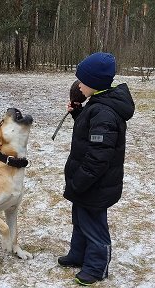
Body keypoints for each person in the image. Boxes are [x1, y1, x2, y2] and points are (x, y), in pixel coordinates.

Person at [58, 52, 135, 286]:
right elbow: (93, 136)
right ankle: (78, 254)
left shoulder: (104, 112)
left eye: (82, 81)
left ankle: (96, 267)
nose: (78, 85)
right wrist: (79, 114)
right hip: (88, 181)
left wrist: (80, 180)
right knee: (80, 220)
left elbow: (99, 156)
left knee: (93, 225)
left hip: (95, 183)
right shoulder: (98, 106)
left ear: (93, 83)